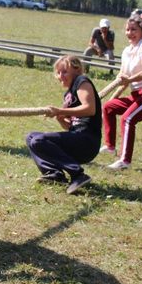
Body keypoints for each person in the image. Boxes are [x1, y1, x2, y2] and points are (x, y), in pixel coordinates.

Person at [26, 55, 101, 195]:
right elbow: (70, 127)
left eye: (65, 71)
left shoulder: (81, 81)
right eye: (58, 72)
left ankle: (78, 175)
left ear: (77, 70)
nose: (61, 76)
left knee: (39, 140)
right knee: (31, 137)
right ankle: (55, 174)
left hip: (87, 142)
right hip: (77, 138)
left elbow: (90, 109)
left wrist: (60, 110)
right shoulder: (69, 94)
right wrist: (60, 118)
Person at [100, 14, 142, 170]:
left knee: (128, 119)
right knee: (108, 107)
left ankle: (125, 161)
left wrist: (128, 81)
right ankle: (110, 147)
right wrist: (119, 82)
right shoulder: (126, 51)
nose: (130, 33)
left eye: (134, 29)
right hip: (137, 94)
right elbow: (123, 75)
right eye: (127, 30)